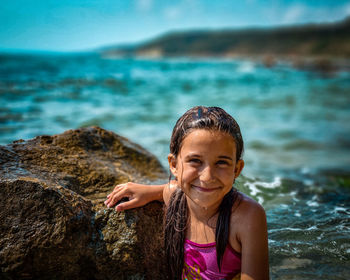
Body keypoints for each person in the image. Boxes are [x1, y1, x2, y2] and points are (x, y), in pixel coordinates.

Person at [104, 106, 269, 280]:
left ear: (237, 169)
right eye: (195, 161)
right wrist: (149, 191)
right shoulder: (177, 199)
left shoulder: (246, 217)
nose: (207, 177)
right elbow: (170, 189)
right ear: (174, 165)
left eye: (221, 162)